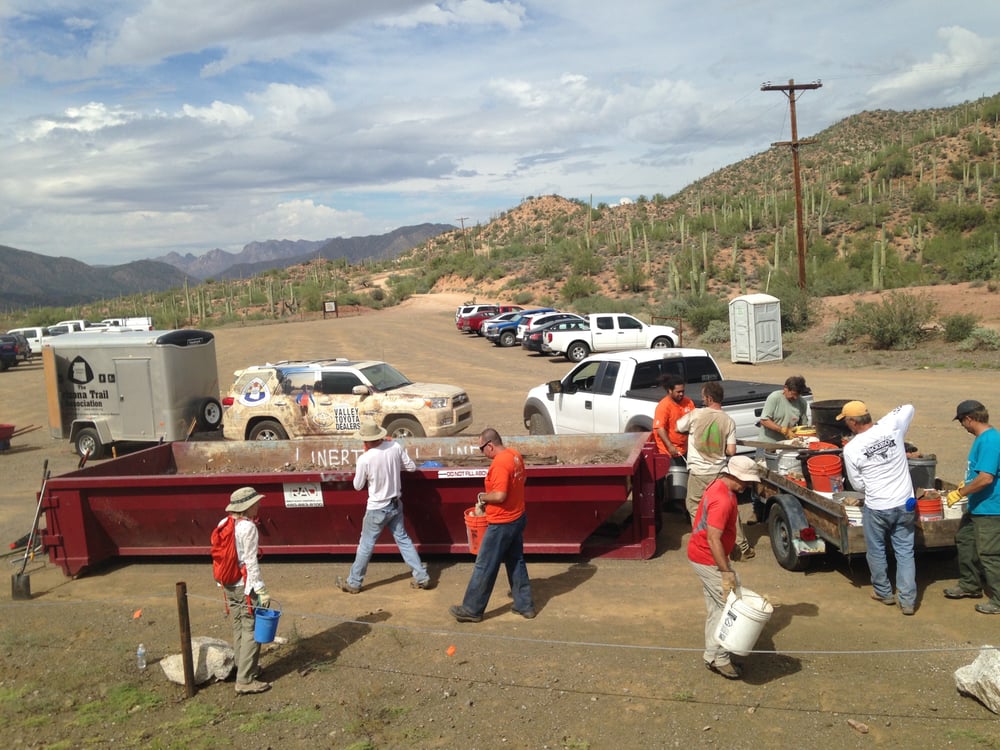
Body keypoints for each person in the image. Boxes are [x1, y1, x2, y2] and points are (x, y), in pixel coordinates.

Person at [839, 400, 917, 615]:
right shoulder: (891, 427)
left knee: (876, 549)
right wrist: (883, 424)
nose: (846, 424)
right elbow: (908, 406)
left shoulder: (852, 448)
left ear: (853, 422)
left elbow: (857, 484)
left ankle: (884, 592)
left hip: (878, 506)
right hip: (904, 503)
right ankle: (908, 600)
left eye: (846, 420)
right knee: (904, 552)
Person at [687, 455, 761, 680]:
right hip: (708, 558)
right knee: (730, 607)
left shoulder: (718, 486)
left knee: (717, 607)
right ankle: (721, 658)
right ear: (735, 476)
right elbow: (713, 538)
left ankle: (712, 655)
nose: (747, 485)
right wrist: (726, 571)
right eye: (746, 481)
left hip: (704, 555)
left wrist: (732, 548)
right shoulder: (723, 499)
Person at [450, 428, 535, 623]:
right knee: (516, 561)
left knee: (484, 565)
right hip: (517, 517)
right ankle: (525, 605)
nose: (482, 453)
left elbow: (499, 495)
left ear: (490, 446)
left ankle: (472, 609)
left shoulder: (499, 464)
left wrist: (482, 497)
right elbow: (522, 480)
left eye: (482, 449)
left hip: (502, 523)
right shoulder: (514, 455)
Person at [338, 421, 431, 593]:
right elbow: (411, 467)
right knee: (404, 540)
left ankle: (354, 582)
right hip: (395, 503)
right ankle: (421, 577)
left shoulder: (365, 459)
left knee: (366, 545)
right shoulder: (395, 446)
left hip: (377, 508)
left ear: (365, 441)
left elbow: (358, 486)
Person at [677, 381, 753, 559]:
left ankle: (706, 542)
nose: (702, 399)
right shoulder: (728, 420)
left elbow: (678, 427)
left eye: (703, 397)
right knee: (729, 508)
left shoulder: (696, 414)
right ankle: (742, 548)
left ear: (708, 398)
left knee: (695, 505)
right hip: (719, 472)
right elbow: (731, 451)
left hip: (698, 472)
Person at [943, 400, 1000, 614]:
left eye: (962, 422)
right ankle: (969, 585)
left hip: (991, 508)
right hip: (977, 505)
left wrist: (961, 492)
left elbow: (985, 478)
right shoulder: (982, 439)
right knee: (965, 540)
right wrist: (965, 485)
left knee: (990, 554)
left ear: (969, 419)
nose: (963, 427)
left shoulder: (990, 440)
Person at [223, 486, 272, 694]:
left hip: (228, 583)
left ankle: (241, 667)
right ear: (248, 506)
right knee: (251, 629)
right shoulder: (248, 528)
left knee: (238, 625)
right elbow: (251, 562)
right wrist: (260, 589)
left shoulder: (224, 523)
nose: (259, 505)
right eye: (256, 503)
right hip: (245, 585)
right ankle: (245, 680)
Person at [652, 374, 695, 509]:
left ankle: (676, 502)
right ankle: (674, 504)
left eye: (683, 391)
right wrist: (670, 446)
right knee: (675, 477)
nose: (681, 394)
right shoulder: (663, 406)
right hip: (669, 450)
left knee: (686, 476)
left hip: (685, 448)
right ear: (670, 391)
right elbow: (660, 428)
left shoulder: (688, 403)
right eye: (678, 392)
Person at [758, 375, 810, 442]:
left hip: (786, 444)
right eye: (793, 394)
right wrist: (783, 430)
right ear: (785, 388)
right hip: (767, 443)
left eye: (797, 395)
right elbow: (764, 421)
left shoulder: (802, 403)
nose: (795, 398)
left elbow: (803, 426)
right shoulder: (775, 398)